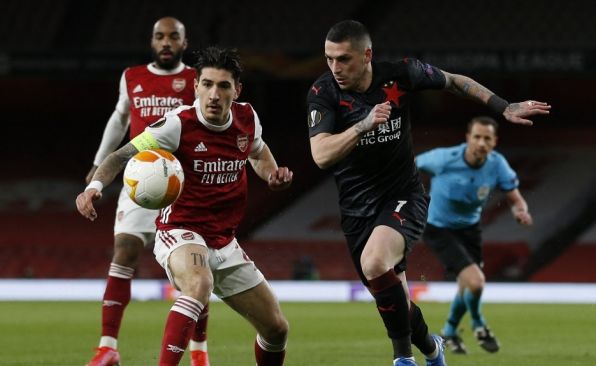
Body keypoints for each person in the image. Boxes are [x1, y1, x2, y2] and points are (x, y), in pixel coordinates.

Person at [306, 20, 550, 366]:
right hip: (356, 209)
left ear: (367, 55)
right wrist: (363, 125)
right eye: (329, 59)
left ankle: (402, 360)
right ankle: (434, 351)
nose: (335, 68)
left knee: (374, 262)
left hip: (403, 195)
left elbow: (455, 82)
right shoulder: (323, 93)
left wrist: (502, 105)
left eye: (343, 59)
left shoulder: (401, 74)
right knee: (396, 301)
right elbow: (321, 155)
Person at [77, 46, 292, 366]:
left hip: (225, 240)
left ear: (237, 89)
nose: (214, 94)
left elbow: (258, 155)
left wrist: (271, 175)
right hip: (181, 230)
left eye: (223, 85)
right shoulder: (177, 125)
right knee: (199, 283)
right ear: (196, 87)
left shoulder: (247, 117)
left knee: (276, 329)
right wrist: (94, 187)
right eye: (207, 84)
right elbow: (120, 156)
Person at [83, 17, 211, 366]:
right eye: (160, 36)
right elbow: (119, 118)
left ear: (184, 43)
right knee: (124, 249)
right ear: (152, 41)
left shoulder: (195, 80)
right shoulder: (132, 76)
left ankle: (199, 352)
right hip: (140, 180)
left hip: (185, 183)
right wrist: (98, 164)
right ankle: (107, 346)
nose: (166, 42)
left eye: (173, 37)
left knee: (193, 268)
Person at [416, 116, 533, 354]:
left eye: (487, 138)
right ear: (468, 138)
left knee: (470, 285)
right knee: (476, 281)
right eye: (477, 137)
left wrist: (520, 210)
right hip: (439, 228)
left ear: (494, 142)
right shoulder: (443, 159)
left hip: (470, 229)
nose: (481, 143)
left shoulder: (497, 164)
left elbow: (514, 196)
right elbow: (408, 167)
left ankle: (448, 333)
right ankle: (479, 324)